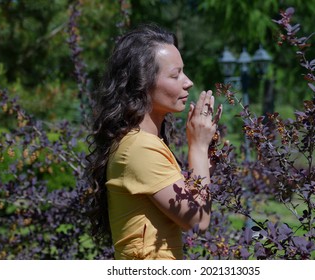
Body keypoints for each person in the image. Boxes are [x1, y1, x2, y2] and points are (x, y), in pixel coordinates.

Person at [86, 24, 222, 260]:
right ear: (142, 83)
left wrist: (206, 149)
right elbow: (197, 221)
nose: (188, 82)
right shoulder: (139, 149)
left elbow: (192, 201)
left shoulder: (145, 143)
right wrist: (197, 147)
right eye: (175, 74)